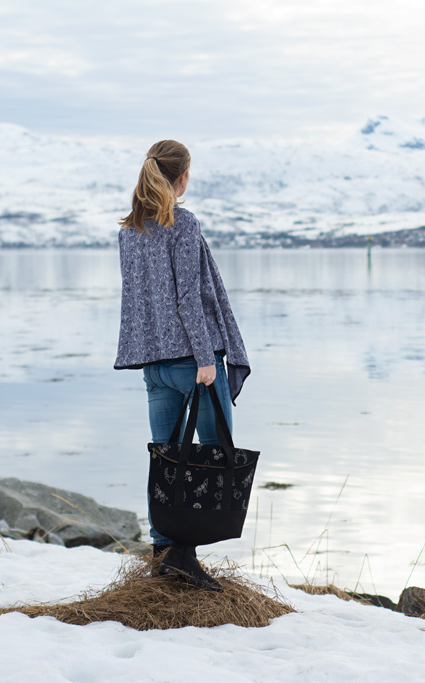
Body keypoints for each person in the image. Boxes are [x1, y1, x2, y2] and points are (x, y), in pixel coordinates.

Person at [114, 140, 250, 591]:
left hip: (154, 367)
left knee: (167, 460)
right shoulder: (182, 224)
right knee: (213, 456)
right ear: (183, 178)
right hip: (192, 364)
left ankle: (165, 550)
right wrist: (205, 358)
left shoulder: (129, 230)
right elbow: (189, 296)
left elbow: (139, 302)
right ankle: (186, 554)